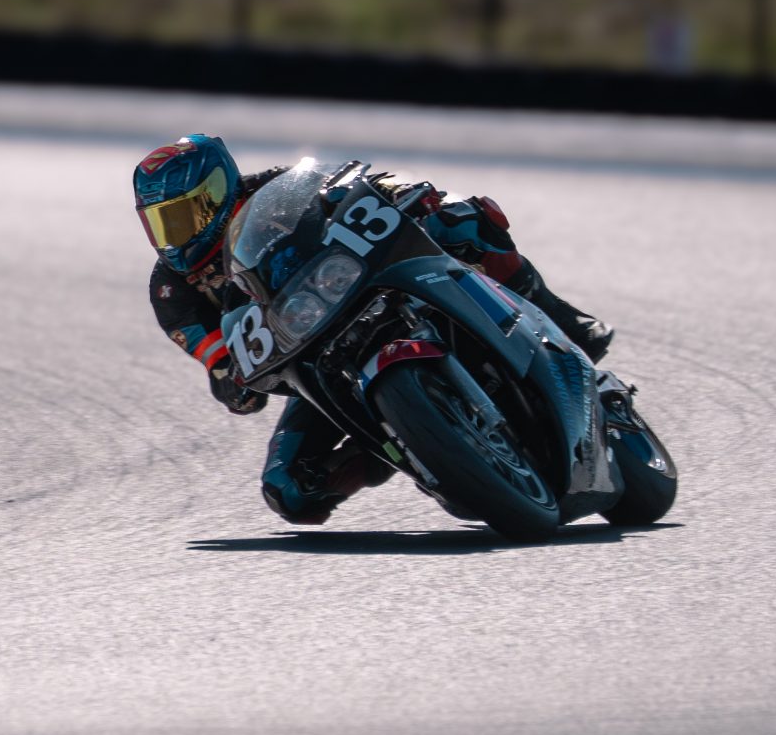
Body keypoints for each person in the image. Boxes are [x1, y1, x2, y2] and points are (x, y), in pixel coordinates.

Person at [134, 134, 614, 526]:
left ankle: (562, 322)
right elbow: (221, 360)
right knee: (290, 489)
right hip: (316, 360)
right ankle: (419, 445)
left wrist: (406, 194)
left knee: (466, 221)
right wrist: (230, 381)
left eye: (182, 216)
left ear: (217, 193)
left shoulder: (276, 189)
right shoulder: (172, 292)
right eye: (159, 224)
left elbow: (360, 187)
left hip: (373, 284)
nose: (174, 236)